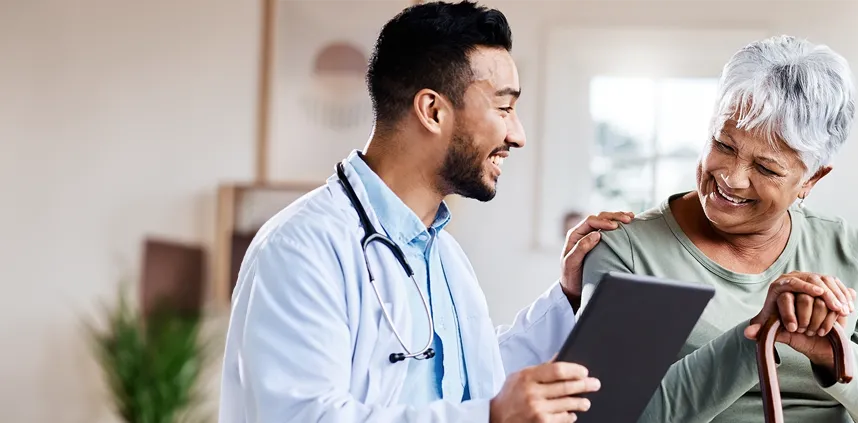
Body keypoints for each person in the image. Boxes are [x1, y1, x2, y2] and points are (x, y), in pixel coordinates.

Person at [218, 2, 634, 422]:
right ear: (433, 111)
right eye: (504, 108)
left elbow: (477, 385)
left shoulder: (446, 257)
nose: (517, 135)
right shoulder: (301, 247)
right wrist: (487, 418)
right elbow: (301, 416)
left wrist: (568, 295)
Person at [580, 35, 858, 422]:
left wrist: (828, 350)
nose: (732, 178)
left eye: (766, 168)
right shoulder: (627, 250)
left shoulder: (842, 246)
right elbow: (609, 415)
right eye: (724, 144)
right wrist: (757, 334)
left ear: (812, 180)